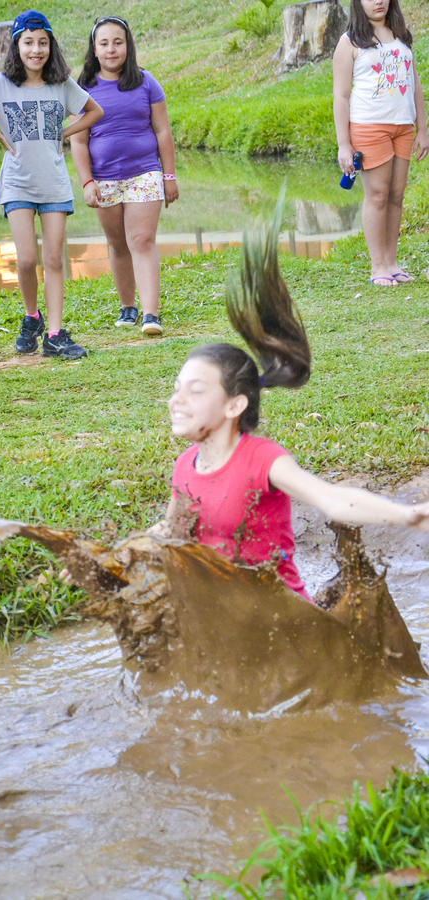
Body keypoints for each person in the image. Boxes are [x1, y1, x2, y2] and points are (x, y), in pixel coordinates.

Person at [149, 199, 429, 601]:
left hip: (287, 626)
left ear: (234, 406)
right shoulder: (185, 467)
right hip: (227, 624)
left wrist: (407, 515)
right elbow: (172, 533)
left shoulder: (262, 460)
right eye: (177, 388)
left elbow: (331, 499)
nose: (178, 400)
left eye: (195, 390)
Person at [0, 10, 103, 361]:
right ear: (16, 45)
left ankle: (56, 334)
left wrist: (64, 133)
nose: (36, 50)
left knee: (55, 258)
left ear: (50, 46)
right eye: (28, 42)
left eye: (43, 43)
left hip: (54, 184)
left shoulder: (60, 84)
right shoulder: (0, 85)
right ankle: (32, 317)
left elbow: (94, 111)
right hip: (16, 184)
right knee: (26, 259)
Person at [71, 16, 179, 335]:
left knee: (142, 240)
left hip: (144, 173)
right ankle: (128, 307)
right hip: (104, 179)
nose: (111, 49)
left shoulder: (147, 82)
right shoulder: (83, 88)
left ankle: (151, 314)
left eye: (118, 42)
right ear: (94, 48)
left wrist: (169, 176)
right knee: (118, 243)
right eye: (104, 43)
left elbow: (162, 130)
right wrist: (87, 182)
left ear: (128, 45)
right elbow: (78, 140)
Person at [333, 0, 429, 286]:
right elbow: (341, 96)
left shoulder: (401, 36)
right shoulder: (349, 42)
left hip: (403, 127)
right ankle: (378, 267)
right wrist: (343, 144)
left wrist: (422, 129)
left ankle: (392, 262)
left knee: (396, 196)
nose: (378, 1)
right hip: (369, 128)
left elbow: (415, 85)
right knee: (377, 196)